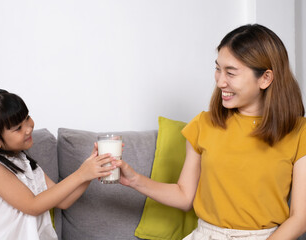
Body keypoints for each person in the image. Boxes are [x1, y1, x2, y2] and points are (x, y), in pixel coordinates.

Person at [116, 24, 306, 239]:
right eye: (218, 69)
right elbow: (185, 195)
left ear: (265, 78)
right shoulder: (203, 124)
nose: (220, 81)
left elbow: (299, 219)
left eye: (231, 72)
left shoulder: (299, 132)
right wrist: (134, 180)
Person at [0, 87, 116, 239]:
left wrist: (92, 170)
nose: (28, 127)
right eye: (18, 128)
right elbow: (33, 205)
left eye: (27, 118)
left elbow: (63, 201)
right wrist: (81, 174)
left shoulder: (23, 162)